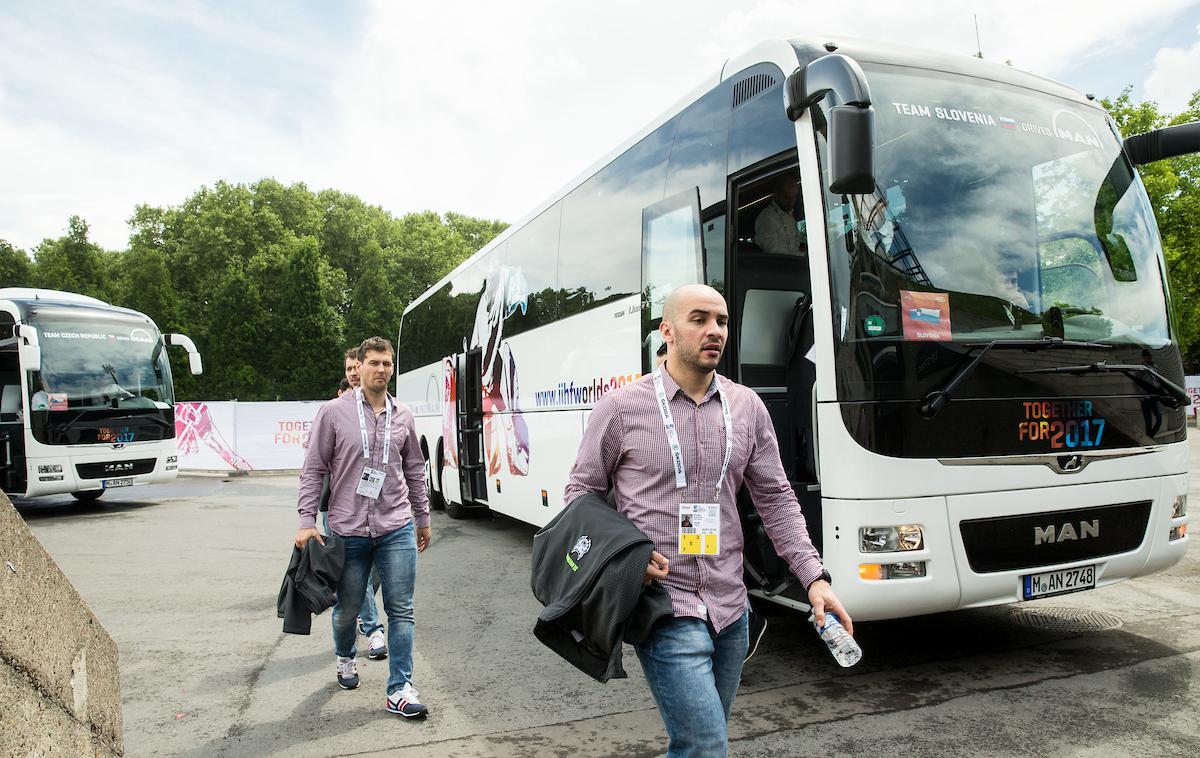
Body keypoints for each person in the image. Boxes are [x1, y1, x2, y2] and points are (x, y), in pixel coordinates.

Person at [564, 284, 852, 757]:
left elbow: (776, 498)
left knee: (698, 743)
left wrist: (814, 578)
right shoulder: (620, 409)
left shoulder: (747, 407)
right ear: (668, 331)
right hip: (662, 607)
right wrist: (626, 555)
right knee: (704, 743)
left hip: (730, 608)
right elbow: (580, 494)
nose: (714, 330)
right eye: (698, 319)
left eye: (721, 321)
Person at [296, 336, 433, 718]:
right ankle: (344, 656)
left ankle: (400, 688)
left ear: (393, 367)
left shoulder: (403, 414)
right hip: (348, 529)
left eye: (387, 363)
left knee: (401, 610)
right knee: (348, 608)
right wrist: (307, 520)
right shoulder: (334, 412)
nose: (380, 369)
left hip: (396, 526)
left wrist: (421, 518)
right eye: (373, 362)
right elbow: (314, 469)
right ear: (361, 366)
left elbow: (415, 470)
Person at [339, 346, 386, 659]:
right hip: (343, 506)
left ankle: (359, 606)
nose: (354, 373)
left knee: (375, 574)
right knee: (356, 573)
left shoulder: (388, 410)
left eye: (358, 366)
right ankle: (373, 629)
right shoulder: (337, 408)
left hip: (383, 508)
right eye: (349, 369)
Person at [754, 174, 805, 257]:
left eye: (794, 197)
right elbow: (771, 250)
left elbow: (795, 244)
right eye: (787, 198)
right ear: (777, 194)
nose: (791, 202)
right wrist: (801, 255)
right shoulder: (767, 217)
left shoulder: (790, 217)